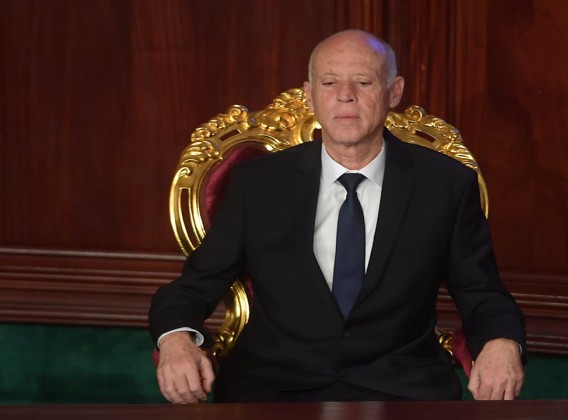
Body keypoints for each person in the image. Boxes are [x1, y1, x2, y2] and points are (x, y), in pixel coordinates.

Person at [149, 29, 526, 404]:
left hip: (401, 389)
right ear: (310, 95)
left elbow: (482, 293)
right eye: (329, 82)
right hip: (273, 388)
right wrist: (176, 339)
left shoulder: (446, 185)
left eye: (363, 81)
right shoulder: (258, 184)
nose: (346, 95)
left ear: (394, 91)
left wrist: (502, 343)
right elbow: (194, 286)